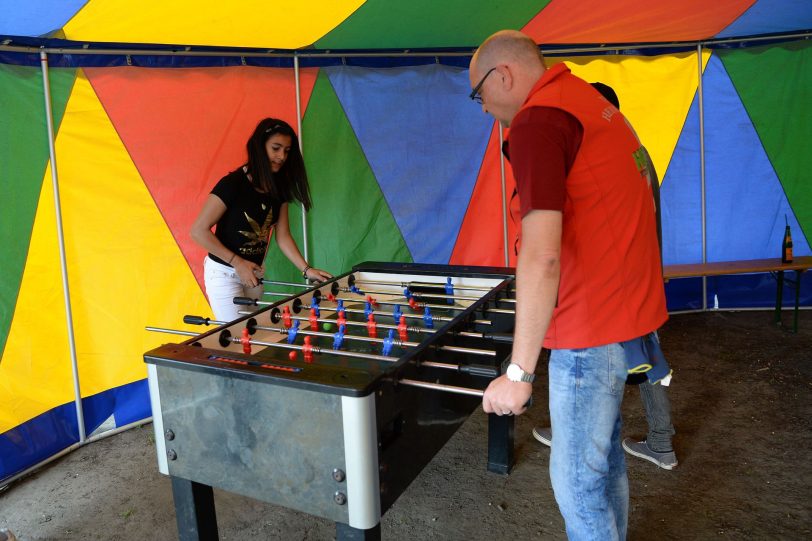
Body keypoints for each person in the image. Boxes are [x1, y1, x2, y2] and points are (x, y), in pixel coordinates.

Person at [470, 30, 668, 539]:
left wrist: (518, 372)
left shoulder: (538, 121)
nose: (485, 107)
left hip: (586, 328)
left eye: (479, 94)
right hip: (622, 317)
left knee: (577, 480)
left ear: (504, 75)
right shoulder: (587, 102)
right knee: (604, 466)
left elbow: (542, 254)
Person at [532, 83, 678, 472]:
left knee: (618, 359)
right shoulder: (636, 153)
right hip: (641, 271)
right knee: (645, 356)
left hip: (617, 280)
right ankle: (659, 440)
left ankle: (649, 440)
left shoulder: (608, 157)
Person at [191, 118, 331, 321]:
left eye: (287, 150)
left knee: (252, 337)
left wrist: (306, 269)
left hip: (255, 275)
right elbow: (198, 231)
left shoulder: (279, 188)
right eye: (276, 148)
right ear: (259, 147)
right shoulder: (232, 184)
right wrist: (237, 263)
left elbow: (282, 236)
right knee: (237, 338)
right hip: (224, 274)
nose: (281, 156)